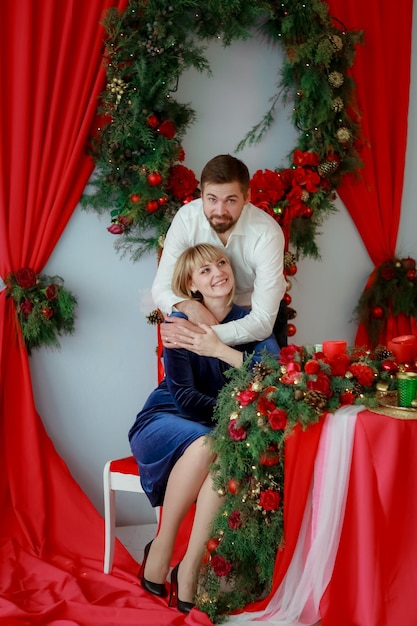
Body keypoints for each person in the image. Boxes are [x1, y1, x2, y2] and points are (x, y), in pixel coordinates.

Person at [129, 244, 279, 613]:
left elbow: (273, 376)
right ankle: (164, 547)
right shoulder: (180, 324)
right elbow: (183, 398)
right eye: (205, 271)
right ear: (192, 286)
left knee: (218, 451)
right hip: (167, 418)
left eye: (222, 263)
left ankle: (190, 568)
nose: (217, 273)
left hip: (218, 432)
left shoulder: (254, 320)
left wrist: (220, 350)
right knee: (210, 443)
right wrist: (235, 418)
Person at [152, 153, 288, 351]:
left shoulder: (267, 233)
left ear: (247, 197)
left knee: (267, 380)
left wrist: (203, 336)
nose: (220, 210)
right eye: (212, 199)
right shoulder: (187, 220)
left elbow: (262, 322)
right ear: (201, 195)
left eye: (230, 200)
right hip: (201, 314)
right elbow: (162, 287)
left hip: (254, 318)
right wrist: (189, 307)